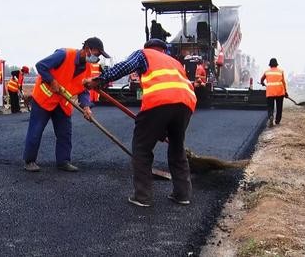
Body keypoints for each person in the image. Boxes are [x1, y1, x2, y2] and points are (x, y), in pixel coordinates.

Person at [84, 38, 197, 207]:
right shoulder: (174, 62)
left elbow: (123, 67)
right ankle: (182, 195)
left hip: (159, 102)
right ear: (164, 50)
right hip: (186, 104)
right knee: (177, 148)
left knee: (141, 148)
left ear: (149, 48)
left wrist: (99, 80)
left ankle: (142, 197)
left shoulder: (144, 54)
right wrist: (162, 128)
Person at [23, 37, 110, 172]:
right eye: (97, 54)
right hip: (44, 99)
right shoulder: (63, 54)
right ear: (87, 49)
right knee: (36, 131)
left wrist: (86, 106)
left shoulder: (87, 68)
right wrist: (52, 81)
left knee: (65, 133)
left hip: (63, 103)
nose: (97, 58)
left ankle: (63, 161)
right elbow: (41, 65)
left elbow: (84, 90)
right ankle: (29, 161)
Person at [260, 58, 288, 127]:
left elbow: (261, 79)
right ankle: (277, 121)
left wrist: (262, 83)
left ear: (270, 65)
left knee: (270, 107)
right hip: (280, 92)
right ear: (276, 64)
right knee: (279, 107)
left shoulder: (267, 72)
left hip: (270, 92)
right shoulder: (281, 71)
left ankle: (271, 116)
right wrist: (285, 92)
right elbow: (283, 82)